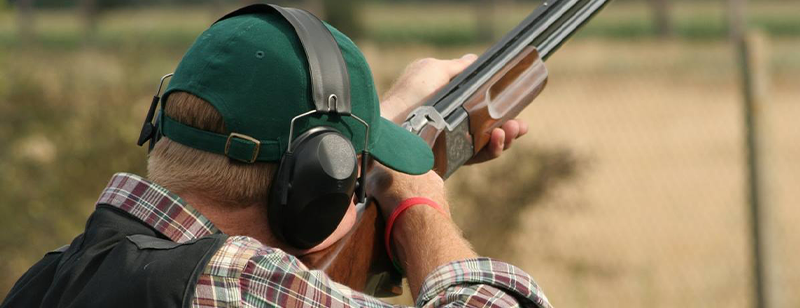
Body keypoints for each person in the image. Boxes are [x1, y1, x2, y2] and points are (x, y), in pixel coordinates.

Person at [1, 5, 551, 308]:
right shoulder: (232, 281)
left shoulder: (53, 278)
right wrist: (418, 208)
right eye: (351, 180)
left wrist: (373, 123)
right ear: (309, 192)